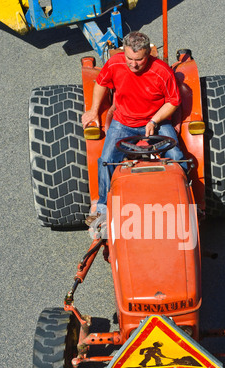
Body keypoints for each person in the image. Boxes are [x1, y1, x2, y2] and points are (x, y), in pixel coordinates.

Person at [82, 31, 184, 226]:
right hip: (123, 122)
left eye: (139, 60)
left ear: (148, 55)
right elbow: (101, 83)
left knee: (177, 155)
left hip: (156, 122)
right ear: (124, 52)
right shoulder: (115, 64)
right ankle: (103, 208)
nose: (133, 64)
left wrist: (154, 121)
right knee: (106, 161)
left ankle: (185, 200)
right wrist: (94, 111)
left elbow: (173, 101)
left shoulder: (161, 71)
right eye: (129, 58)